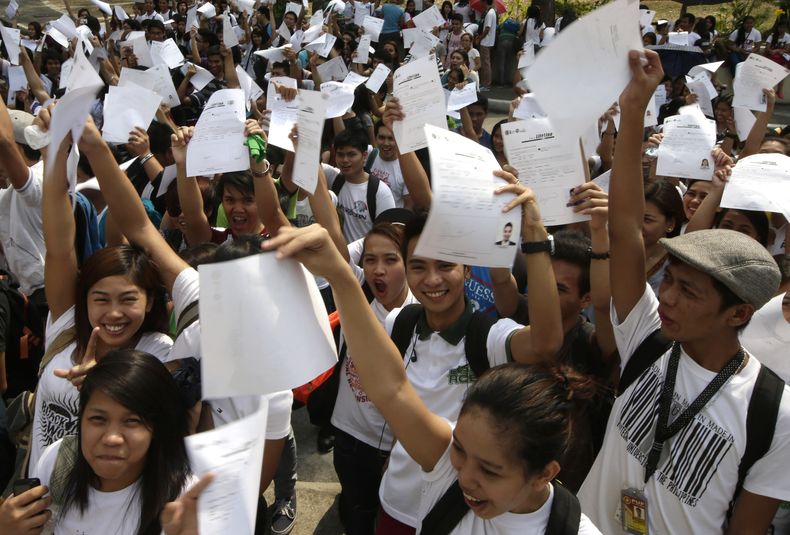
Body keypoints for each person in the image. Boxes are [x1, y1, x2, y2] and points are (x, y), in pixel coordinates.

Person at [257, 222, 602, 534]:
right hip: (397, 500)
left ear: (467, 269)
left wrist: (535, 235)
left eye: (445, 265)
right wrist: (338, 274)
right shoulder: (401, 323)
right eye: (418, 266)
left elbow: (544, 342)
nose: (432, 279)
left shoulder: (489, 337)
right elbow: (394, 393)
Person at [578, 48, 790, 534]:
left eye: (689, 292)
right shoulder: (647, 333)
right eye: (669, 280)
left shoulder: (774, 414)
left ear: (738, 313)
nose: (667, 297)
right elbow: (626, 229)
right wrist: (634, 108)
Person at [30, 108, 174, 473]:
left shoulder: (159, 351)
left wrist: (100, 383)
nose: (113, 313)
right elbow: (59, 246)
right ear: (83, 300)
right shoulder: (66, 326)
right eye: (100, 299)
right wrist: (55, 153)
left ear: (150, 301)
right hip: (39, 498)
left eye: (128, 299)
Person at [0, 350, 191, 534]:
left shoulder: (184, 502)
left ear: (156, 427)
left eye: (132, 421)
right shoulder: (59, 460)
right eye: (98, 419)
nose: (112, 438)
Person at [331, 222, 417, 535]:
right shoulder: (356, 293)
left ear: (408, 264)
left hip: (393, 447)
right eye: (370, 260)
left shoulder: (420, 315)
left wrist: (398, 450)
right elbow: (330, 235)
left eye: (391, 260)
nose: (378, 270)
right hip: (348, 434)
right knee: (356, 509)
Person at [476, 0, 496, 91]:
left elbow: (487, 28)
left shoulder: (489, 13)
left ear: (485, 2)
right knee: (486, 63)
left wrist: (480, 38)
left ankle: (486, 84)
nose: (481, 4)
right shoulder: (492, 12)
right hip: (489, 41)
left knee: (485, 64)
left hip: (486, 41)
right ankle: (486, 83)